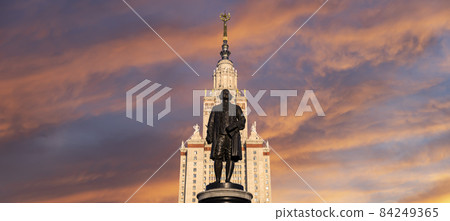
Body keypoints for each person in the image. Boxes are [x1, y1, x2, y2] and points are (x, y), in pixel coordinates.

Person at [206, 89, 246, 183]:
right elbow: (211, 123)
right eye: (224, 92)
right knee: (217, 156)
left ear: (230, 96)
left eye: (227, 92)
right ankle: (217, 180)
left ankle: (228, 180)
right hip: (220, 135)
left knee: (230, 157)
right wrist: (209, 136)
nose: (225, 93)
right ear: (221, 96)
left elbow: (242, 120)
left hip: (231, 137)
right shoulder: (216, 108)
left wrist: (233, 126)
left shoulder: (235, 108)